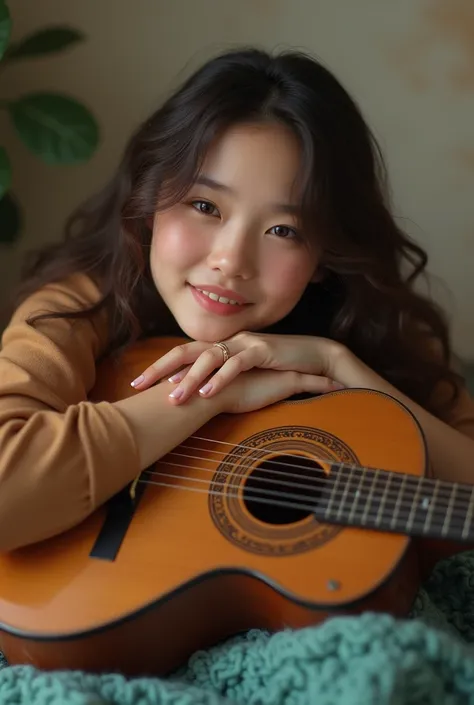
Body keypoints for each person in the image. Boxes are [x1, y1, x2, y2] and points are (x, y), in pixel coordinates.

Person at [1, 47, 474, 553]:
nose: (231, 260)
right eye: (204, 205)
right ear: (148, 199)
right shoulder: (80, 305)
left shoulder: (377, 326)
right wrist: (210, 393)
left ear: (326, 255)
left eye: (284, 230)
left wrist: (335, 362)